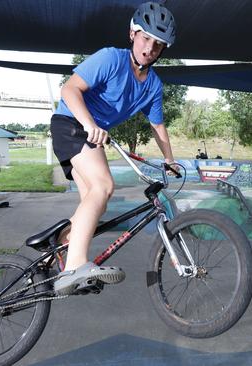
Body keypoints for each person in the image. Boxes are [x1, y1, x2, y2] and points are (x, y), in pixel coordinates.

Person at [50, 1, 178, 296]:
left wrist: (170, 159)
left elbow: (158, 127)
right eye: (146, 38)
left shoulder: (153, 86)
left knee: (95, 203)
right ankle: (73, 268)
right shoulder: (110, 58)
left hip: (90, 135)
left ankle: (60, 242)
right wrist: (90, 124)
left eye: (157, 45)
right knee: (104, 185)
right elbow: (69, 89)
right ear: (133, 33)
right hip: (71, 123)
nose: (149, 49)